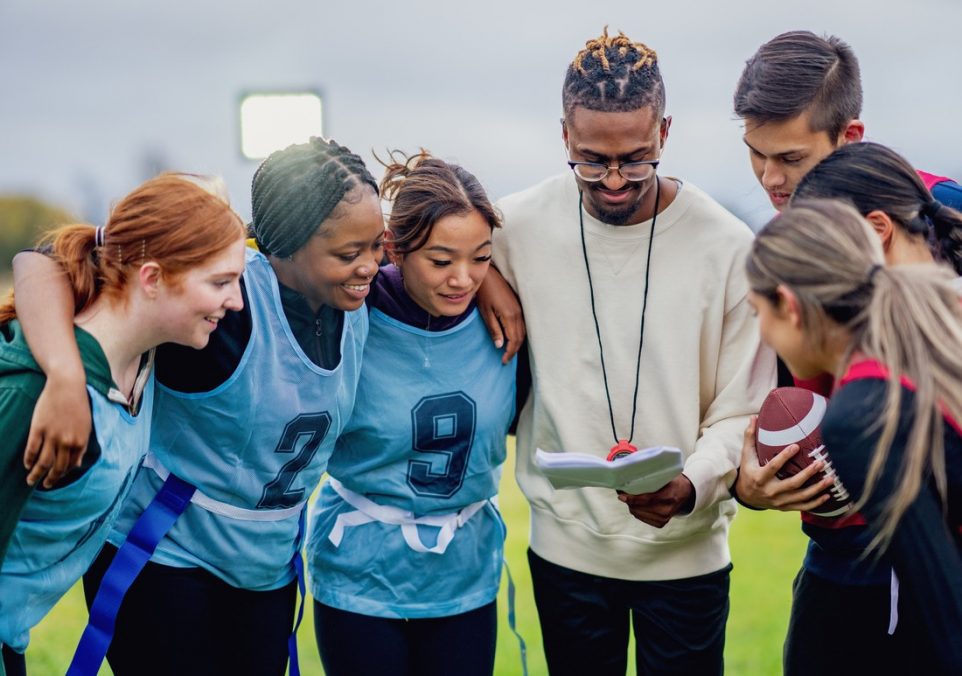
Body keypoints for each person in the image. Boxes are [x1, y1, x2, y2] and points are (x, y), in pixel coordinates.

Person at [10, 137, 385, 676]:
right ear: (281, 245)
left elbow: (447, 268)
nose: (371, 265)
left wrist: (495, 288)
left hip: (265, 570)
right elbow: (42, 262)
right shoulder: (221, 300)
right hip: (165, 560)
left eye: (379, 245)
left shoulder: (362, 293)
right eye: (350, 254)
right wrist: (66, 376)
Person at [478, 28, 774, 675]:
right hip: (566, 556)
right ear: (564, 136)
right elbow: (414, 242)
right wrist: (484, 276)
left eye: (636, 160)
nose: (614, 180)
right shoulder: (512, 226)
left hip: (689, 556)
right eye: (591, 160)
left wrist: (692, 484)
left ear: (664, 132)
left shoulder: (729, 247)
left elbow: (739, 410)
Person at [0, 173, 247, 676]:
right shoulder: (30, 395)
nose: (238, 301)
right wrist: (65, 379)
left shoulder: (144, 358)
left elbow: (47, 258)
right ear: (152, 278)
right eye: (220, 282)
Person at [733, 142, 962, 675]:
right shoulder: (932, 326)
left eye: (757, 314)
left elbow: (944, 602)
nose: (762, 334)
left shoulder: (861, 414)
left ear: (789, 306)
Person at [308, 150, 515, 676]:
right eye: (442, 262)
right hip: (359, 571)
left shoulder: (509, 314)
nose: (463, 280)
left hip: (464, 574)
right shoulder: (349, 308)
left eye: (481, 259)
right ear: (392, 249)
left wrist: (491, 277)